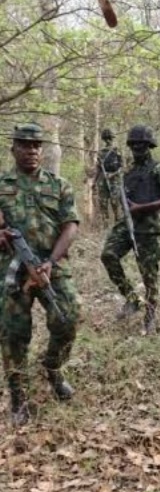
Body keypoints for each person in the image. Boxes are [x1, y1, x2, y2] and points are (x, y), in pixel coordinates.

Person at [0, 123, 80, 426]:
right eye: (24, 144)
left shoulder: (59, 185)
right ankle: (18, 397)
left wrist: (51, 261)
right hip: (10, 270)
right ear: (13, 149)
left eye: (35, 146)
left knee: (68, 316)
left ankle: (53, 367)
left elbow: (70, 225)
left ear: (42, 150)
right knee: (13, 334)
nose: (31, 150)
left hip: (50, 267)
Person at [100, 124, 160, 334]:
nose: (137, 148)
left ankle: (150, 315)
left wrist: (142, 207)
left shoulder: (159, 169)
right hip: (128, 223)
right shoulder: (127, 171)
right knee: (108, 255)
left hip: (149, 227)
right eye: (133, 145)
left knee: (149, 276)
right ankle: (132, 298)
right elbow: (121, 195)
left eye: (141, 144)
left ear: (149, 145)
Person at [92, 128, 123, 225]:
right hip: (103, 180)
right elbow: (98, 168)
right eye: (107, 139)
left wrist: (113, 174)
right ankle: (105, 225)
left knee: (115, 203)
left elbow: (122, 167)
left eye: (110, 139)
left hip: (115, 180)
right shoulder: (101, 153)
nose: (109, 141)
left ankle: (117, 224)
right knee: (103, 204)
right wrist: (94, 182)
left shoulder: (117, 151)